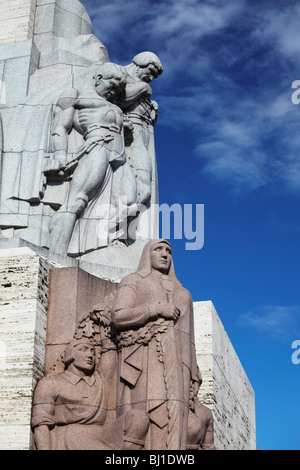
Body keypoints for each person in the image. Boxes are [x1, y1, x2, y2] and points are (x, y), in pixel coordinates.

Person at [111, 239, 201, 450]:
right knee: (151, 412)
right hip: (146, 356)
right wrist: (155, 309)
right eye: (158, 249)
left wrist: (194, 372)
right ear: (146, 255)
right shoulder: (134, 280)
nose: (165, 254)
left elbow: (190, 338)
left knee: (179, 419)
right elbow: (118, 316)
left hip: (181, 362)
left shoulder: (183, 291)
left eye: (168, 251)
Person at [46, 62, 138, 255]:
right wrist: (59, 154)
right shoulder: (76, 95)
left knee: (129, 200)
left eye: (118, 90)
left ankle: (111, 244)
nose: (113, 93)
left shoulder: (113, 105)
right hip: (97, 146)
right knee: (78, 200)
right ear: (98, 79)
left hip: (119, 155)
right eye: (111, 87)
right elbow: (60, 126)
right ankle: (57, 252)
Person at [31, 337, 150, 450]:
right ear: (70, 355)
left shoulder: (99, 379)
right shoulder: (50, 384)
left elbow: (109, 348)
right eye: (83, 350)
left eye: (93, 351)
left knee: (138, 418)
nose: (90, 355)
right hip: (72, 438)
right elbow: (41, 424)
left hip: (102, 435)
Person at [120, 52, 163, 208]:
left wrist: (152, 112)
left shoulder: (142, 88)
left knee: (146, 189)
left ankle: (122, 223)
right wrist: (142, 88)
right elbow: (118, 101)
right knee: (142, 190)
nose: (151, 78)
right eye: (150, 72)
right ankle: (116, 221)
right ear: (141, 64)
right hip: (130, 138)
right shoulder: (121, 75)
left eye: (154, 77)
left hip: (143, 139)